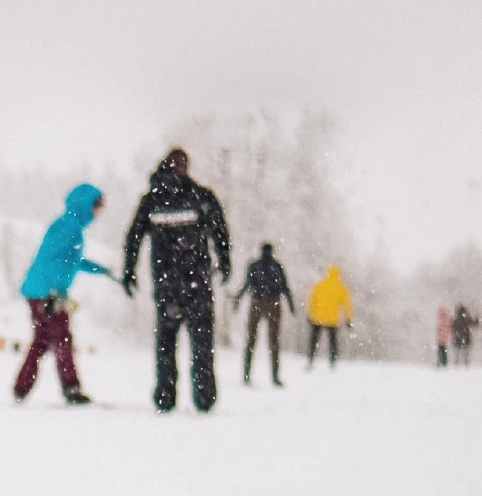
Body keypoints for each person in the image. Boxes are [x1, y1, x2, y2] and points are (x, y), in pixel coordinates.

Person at [121, 148, 231, 413]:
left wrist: (129, 270)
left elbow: (133, 237)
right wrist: (224, 261)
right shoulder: (201, 196)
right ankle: (204, 396)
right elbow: (220, 232)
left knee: (166, 343)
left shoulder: (151, 200)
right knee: (201, 344)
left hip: (166, 284)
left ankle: (165, 395)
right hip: (198, 283)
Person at [14, 184, 119, 404]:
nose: (98, 212)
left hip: (39, 290)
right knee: (62, 339)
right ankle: (71, 389)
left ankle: (21, 388)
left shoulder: (68, 225)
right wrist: (54, 292)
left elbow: (72, 260)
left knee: (42, 340)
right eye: (97, 206)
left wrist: (101, 270)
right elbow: (52, 259)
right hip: (47, 293)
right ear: (85, 205)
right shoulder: (69, 227)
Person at [232, 243, 295, 386]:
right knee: (274, 341)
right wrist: (291, 305)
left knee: (251, 339)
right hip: (274, 303)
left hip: (257, 302)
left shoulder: (255, 266)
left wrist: (238, 299)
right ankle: (274, 376)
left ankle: (247, 374)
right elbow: (285, 287)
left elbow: (247, 284)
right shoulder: (277, 267)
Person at [305, 267, 353, 368]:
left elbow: (312, 300)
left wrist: (309, 314)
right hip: (332, 319)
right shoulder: (340, 287)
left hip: (317, 318)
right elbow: (346, 304)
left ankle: (310, 360)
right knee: (333, 342)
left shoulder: (320, 285)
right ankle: (333, 361)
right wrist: (348, 319)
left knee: (314, 341)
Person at [435, 304, 451, 368]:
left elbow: (440, 329)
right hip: (444, 338)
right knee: (443, 350)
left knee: (441, 350)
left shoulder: (442, 319)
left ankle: (441, 362)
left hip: (441, 338)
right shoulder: (446, 318)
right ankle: (443, 362)